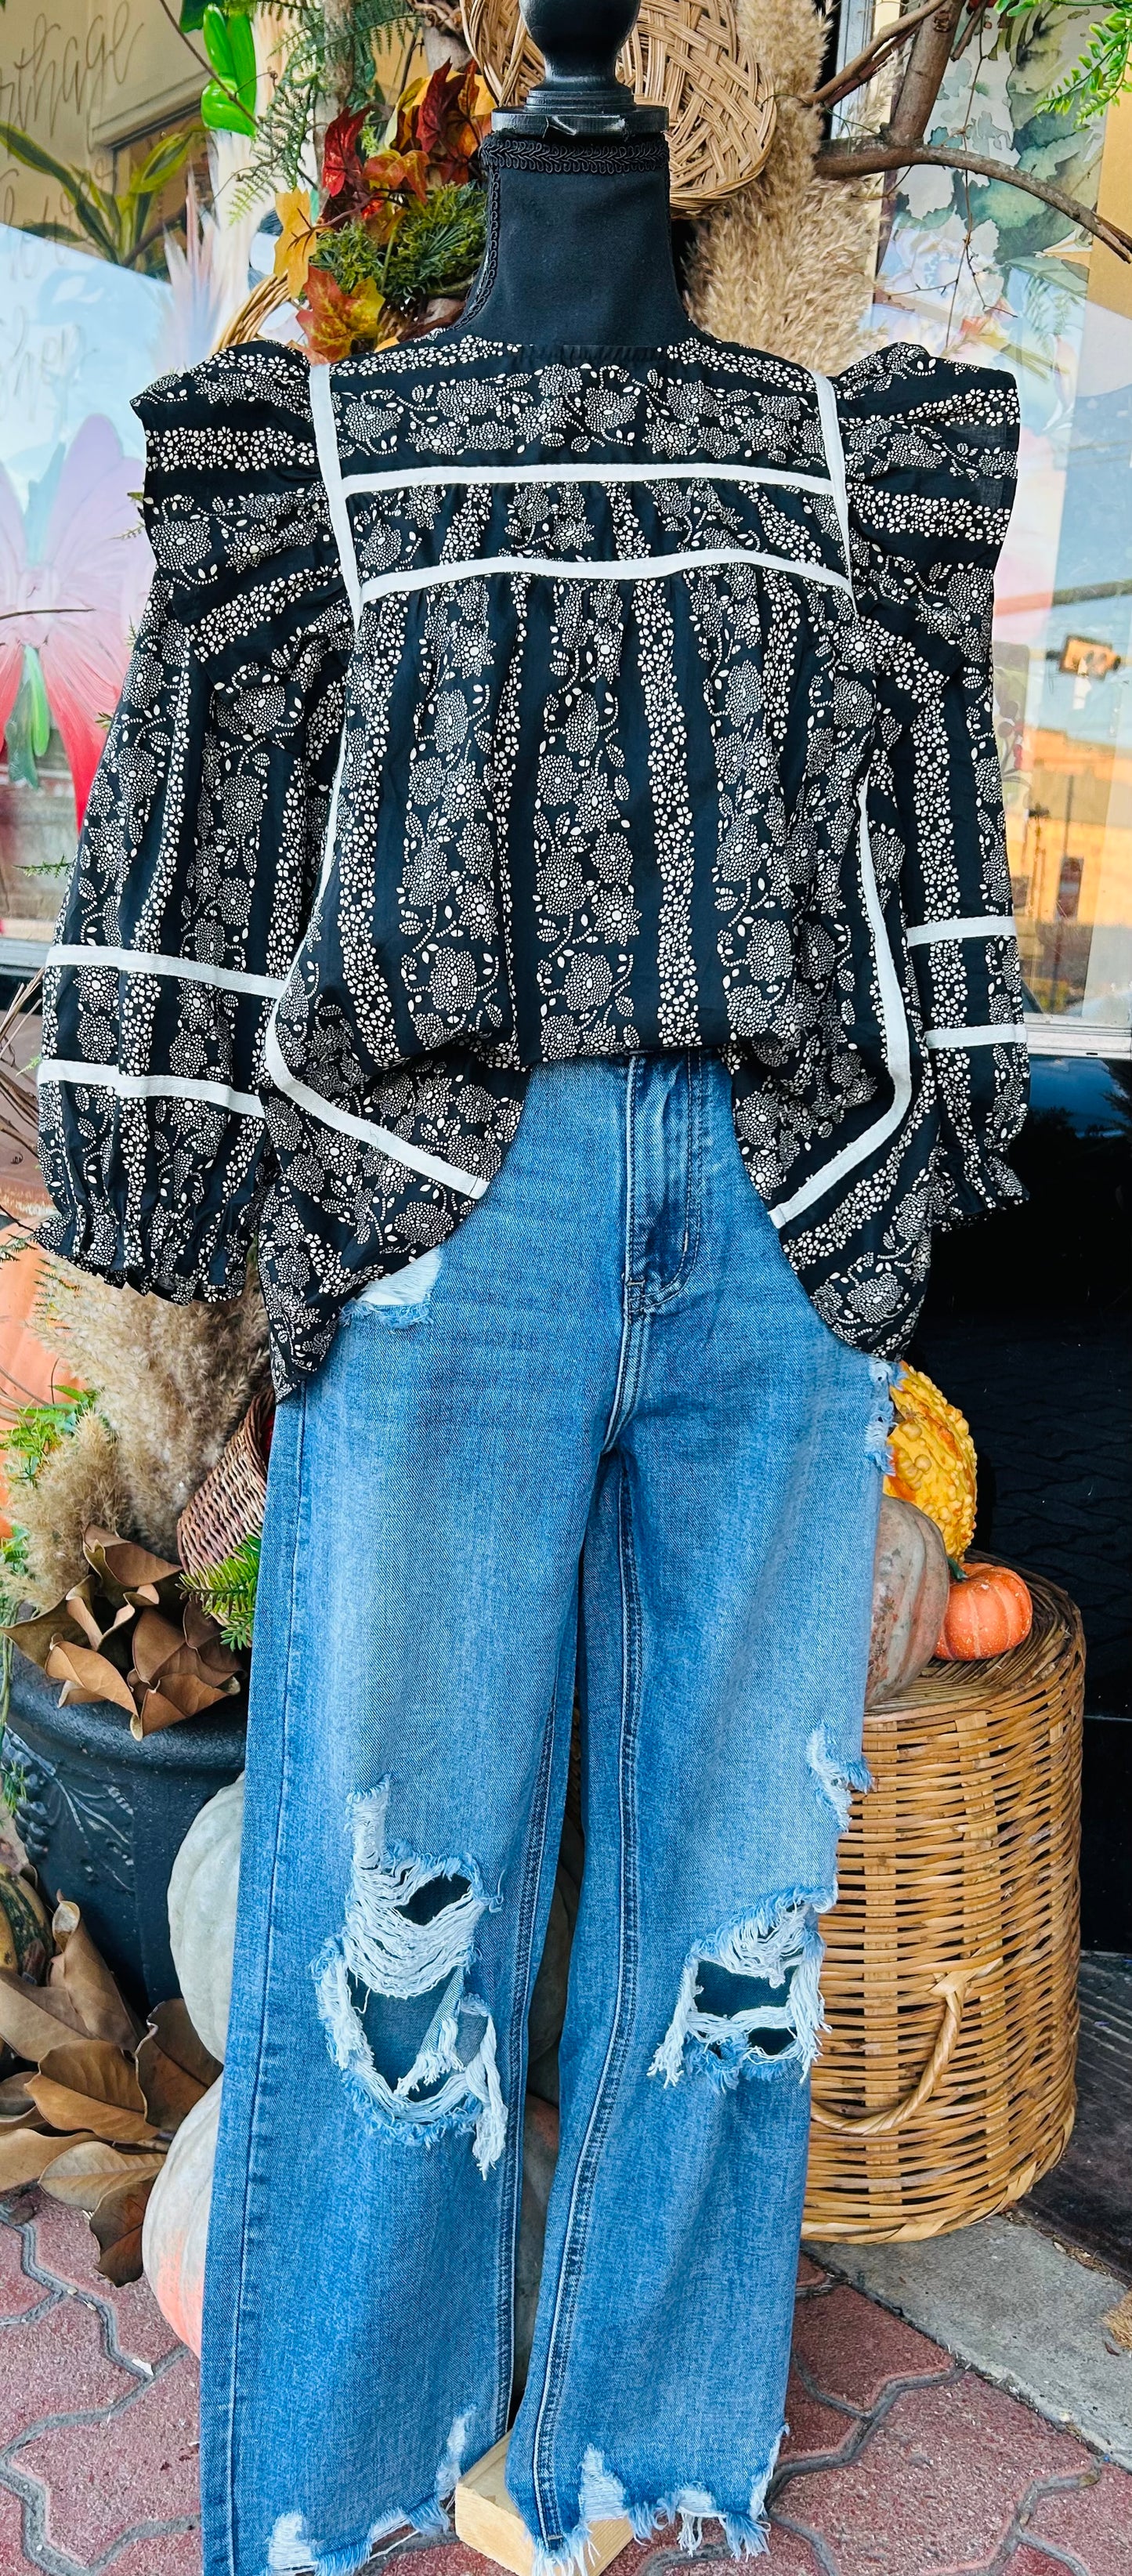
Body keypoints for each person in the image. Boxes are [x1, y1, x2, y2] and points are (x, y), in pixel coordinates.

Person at [38, 16, 1025, 2572]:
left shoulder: (846, 464)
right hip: (440, 1221)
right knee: (393, 1879)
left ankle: (635, 2453)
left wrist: (924, 1144)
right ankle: (331, 2484)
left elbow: (937, 867)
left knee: (741, 1903)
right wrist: (151, 1186)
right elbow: (186, 862)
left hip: (779, 1226)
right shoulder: (318, 470)